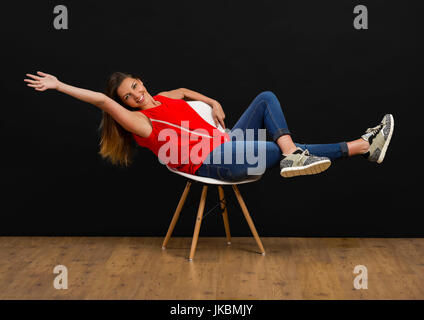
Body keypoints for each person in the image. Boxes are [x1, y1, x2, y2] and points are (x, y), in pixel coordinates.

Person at [24, 71, 394, 182]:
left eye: (136, 85)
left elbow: (184, 90)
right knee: (269, 150)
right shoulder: (139, 122)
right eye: (129, 95)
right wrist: (59, 86)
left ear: (140, 81)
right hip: (211, 161)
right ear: (125, 105)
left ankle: (296, 154)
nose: (137, 94)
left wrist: (214, 102)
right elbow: (102, 101)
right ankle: (360, 146)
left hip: (226, 141)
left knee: (265, 96)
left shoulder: (164, 96)